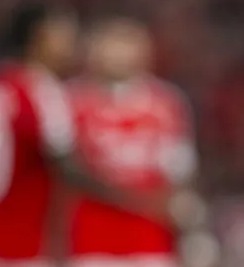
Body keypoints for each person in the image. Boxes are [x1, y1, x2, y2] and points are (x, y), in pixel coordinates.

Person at [0, 2, 160, 267]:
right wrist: (139, 201)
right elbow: (66, 167)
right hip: (18, 248)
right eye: (62, 33)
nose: (69, 43)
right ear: (38, 38)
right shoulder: (40, 92)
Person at [65, 16, 206, 267]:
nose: (119, 55)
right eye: (112, 44)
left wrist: (190, 229)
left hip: (150, 239)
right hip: (90, 238)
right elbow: (67, 172)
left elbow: (180, 170)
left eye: (128, 44)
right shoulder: (73, 102)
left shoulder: (166, 103)